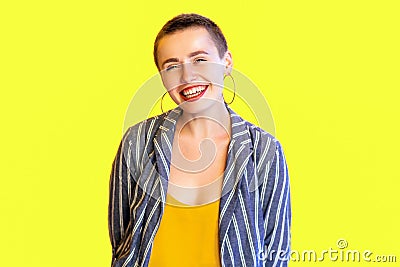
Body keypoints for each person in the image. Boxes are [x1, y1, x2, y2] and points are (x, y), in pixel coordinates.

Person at [109, 13, 291, 267]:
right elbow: (122, 243)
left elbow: (276, 254)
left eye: (200, 60)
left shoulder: (264, 151)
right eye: (172, 66)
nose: (187, 76)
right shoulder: (137, 142)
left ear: (226, 62)